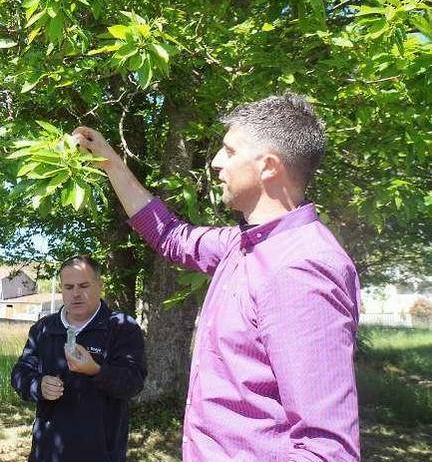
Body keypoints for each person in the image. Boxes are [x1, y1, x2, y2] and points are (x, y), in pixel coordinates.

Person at [73, 93, 361, 461]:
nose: (215, 162)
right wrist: (112, 164)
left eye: (229, 151)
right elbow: (170, 235)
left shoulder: (301, 269)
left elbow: (326, 450)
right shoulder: (241, 246)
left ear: (268, 167)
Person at [11, 255, 147, 462]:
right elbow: (20, 373)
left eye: (84, 286)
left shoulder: (121, 327)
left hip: (100, 452)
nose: (76, 294)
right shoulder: (45, 328)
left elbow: (133, 383)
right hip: (48, 452)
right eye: (68, 287)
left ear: (99, 285)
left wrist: (96, 371)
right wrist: (38, 386)